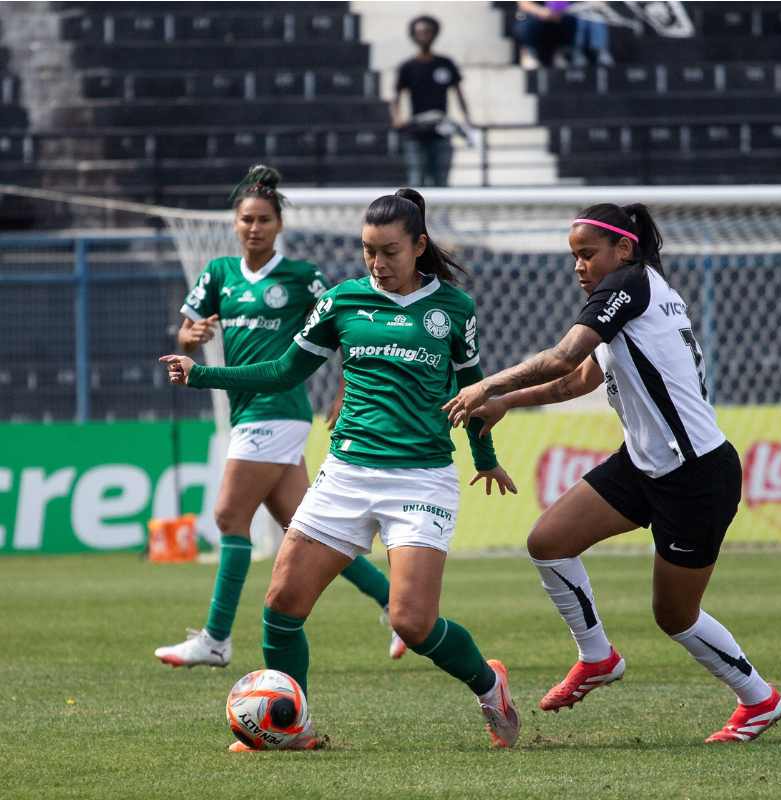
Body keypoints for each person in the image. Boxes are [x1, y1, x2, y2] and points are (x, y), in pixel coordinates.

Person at [160, 188, 521, 751]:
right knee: (282, 604)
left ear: (420, 246)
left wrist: (486, 459)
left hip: (421, 478)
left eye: (390, 252)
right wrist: (201, 374)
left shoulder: (453, 309)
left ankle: (488, 683)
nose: (377, 264)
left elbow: (474, 395)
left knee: (411, 622)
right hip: (347, 473)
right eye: (367, 251)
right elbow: (282, 370)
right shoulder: (343, 302)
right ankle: (293, 727)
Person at [443, 204, 781, 744]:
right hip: (645, 464)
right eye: (573, 256)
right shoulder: (632, 292)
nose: (578, 266)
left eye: (587, 254)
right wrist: (510, 399)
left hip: (695, 475)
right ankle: (597, 656)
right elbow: (573, 382)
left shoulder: (628, 285)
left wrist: (485, 386)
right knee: (549, 541)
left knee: (675, 616)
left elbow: (561, 358)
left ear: (622, 250)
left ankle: (760, 699)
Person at [154, 165, 402, 670]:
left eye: (264, 219)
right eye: (246, 219)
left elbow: (345, 334)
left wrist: (344, 390)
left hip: (280, 407)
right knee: (305, 528)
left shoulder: (302, 277)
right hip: (246, 407)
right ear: (234, 222)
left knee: (227, 516)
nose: (254, 228)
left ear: (279, 225)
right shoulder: (217, 274)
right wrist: (190, 339)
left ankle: (217, 639)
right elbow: (185, 332)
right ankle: (398, 606)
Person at [393, 15, 471, 187]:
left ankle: (441, 214)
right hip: (416, 131)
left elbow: (459, 94)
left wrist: (467, 120)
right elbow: (396, 96)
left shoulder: (445, 63)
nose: (424, 36)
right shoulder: (408, 66)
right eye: (420, 32)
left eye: (427, 31)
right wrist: (397, 119)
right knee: (416, 179)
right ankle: (416, 214)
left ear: (435, 34)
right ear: (413, 35)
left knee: (441, 179)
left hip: (441, 130)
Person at [514, 1, 576, 69]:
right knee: (528, 26)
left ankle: (560, 52)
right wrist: (543, 12)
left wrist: (558, 12)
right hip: (533, 19)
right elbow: (524, 4)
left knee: (571, 21)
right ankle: (531, 52)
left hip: (559, 19)